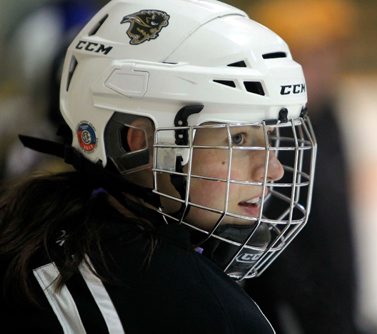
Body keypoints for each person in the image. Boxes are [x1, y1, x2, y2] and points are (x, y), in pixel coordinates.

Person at [0, 0, 317, 332]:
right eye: (237, 139)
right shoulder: (206, 312)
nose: (272, 170)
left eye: (268, 137)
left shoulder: (34, 233)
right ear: (135, 142)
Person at [244, 1, 362, 333]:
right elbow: (275, 252)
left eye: (326, 54)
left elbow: (340, 234)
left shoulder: (329, 112)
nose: (317, 70)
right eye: (304, 58)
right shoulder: (276, 130)